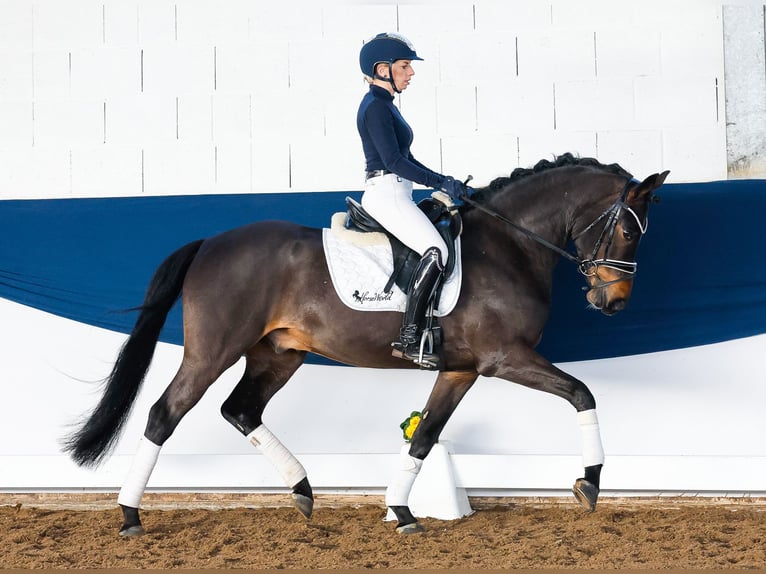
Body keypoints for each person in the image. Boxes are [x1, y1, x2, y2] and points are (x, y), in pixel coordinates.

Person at [357, 32, 467, 368]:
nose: (411, 73)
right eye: (404, 66)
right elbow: (393, 161)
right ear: (383, 69)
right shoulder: (375, 108)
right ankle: (409, 339)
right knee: (437, 252)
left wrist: (445, 181)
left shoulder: (385, 106)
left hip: (398, 190)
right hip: (387, 193)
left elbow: (409, 158)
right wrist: (438, 181)